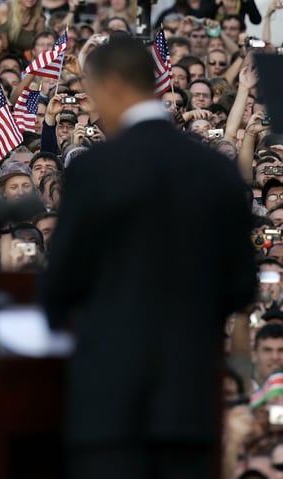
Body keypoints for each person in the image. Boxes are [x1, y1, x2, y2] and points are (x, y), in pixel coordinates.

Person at [40, 37, 256, 478]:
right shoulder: (217, 171)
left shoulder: (95, 169)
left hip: (109, 409)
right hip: (190, 404)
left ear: (114, 83)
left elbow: (60, 286)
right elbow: (240, 288)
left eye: (93, 90)